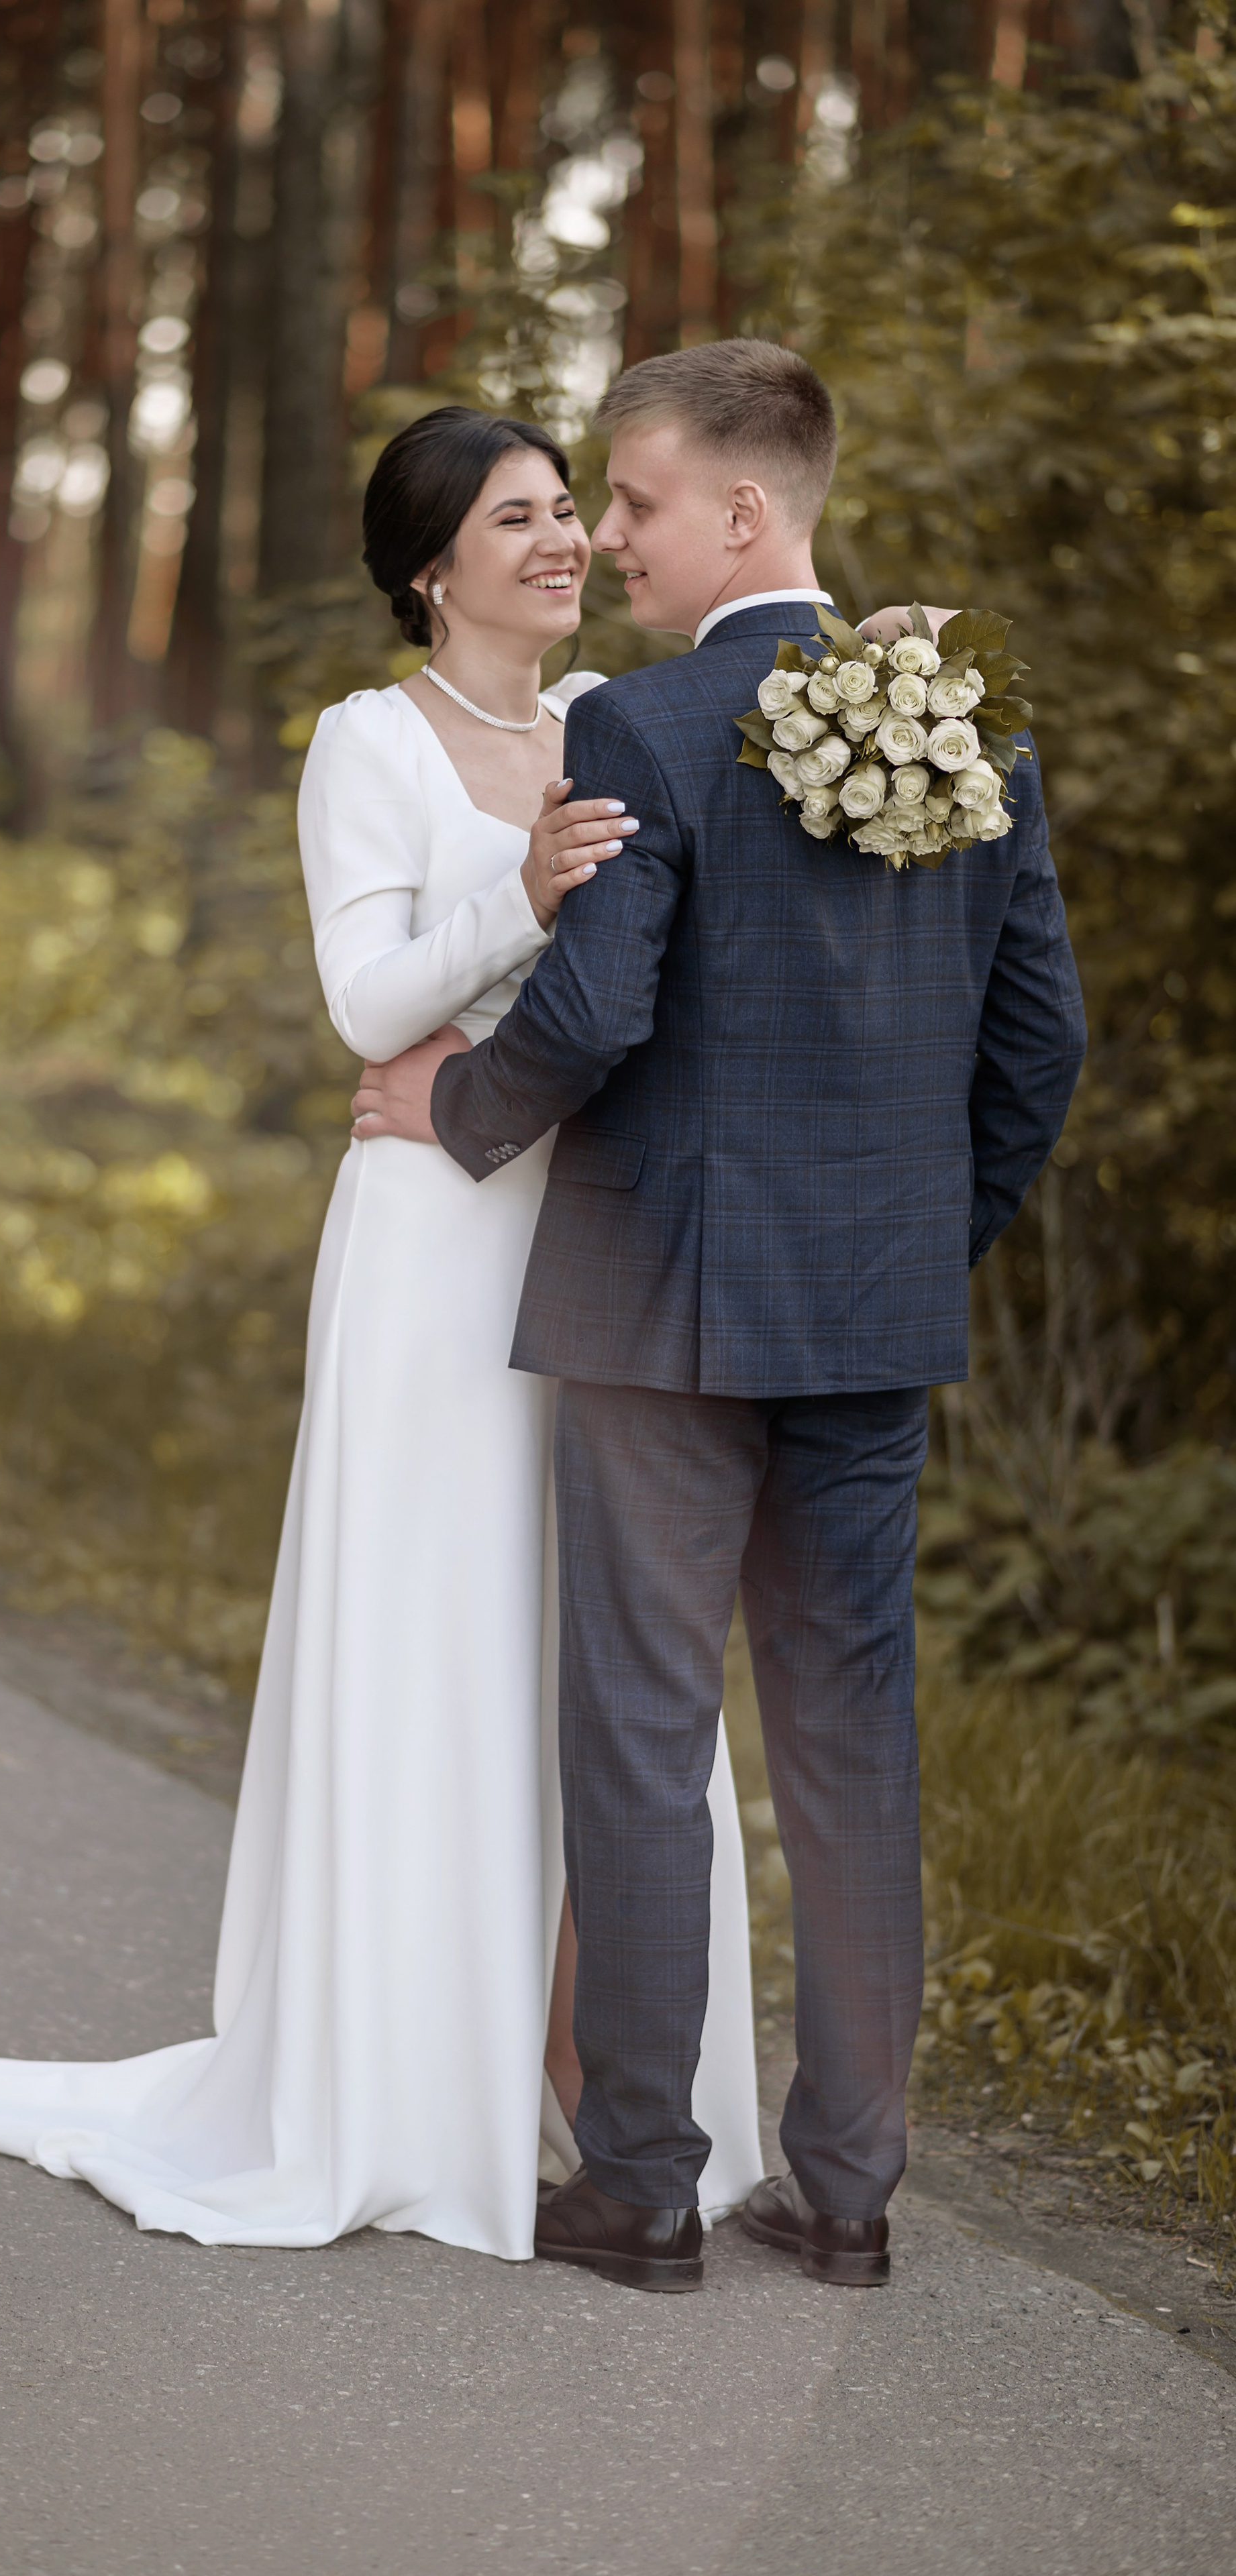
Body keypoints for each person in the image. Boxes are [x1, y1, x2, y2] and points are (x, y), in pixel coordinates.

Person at [0, 405, 766, 2259]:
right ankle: (416, 2083)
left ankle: (617, 2087)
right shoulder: (370, 742)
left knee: (606, 1653)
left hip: (601, 1227)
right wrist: (516, 892)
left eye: (568, 510)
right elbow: (365, 1002)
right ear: (429, 568)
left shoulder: (621, 719)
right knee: (448, 1634)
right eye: (515, 519)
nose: (563, 541)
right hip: (436, 1240)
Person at [354, 342, 1086, 2292]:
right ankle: (844, 2195)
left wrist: (454, 1109)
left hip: (658, 1309)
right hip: (870, 1314)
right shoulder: (969, 724)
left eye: (638, 498)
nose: (609, 533)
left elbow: (596, 1010)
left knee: (644, 1734)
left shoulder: (647, 726)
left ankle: (644, 2186)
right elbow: (1041, 1044)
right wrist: (922, 1236)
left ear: (744, 512)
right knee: (852, 1743)